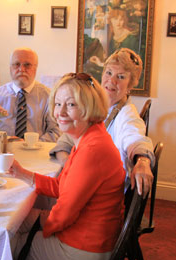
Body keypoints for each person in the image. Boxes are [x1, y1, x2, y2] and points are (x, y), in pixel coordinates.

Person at [10, 73, 125, 260]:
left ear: (89, 108)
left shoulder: (92, 150)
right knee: (16, 221)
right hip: (90, 233)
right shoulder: (90, 137)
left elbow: (64, 214)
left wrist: (42, 231)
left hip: (83, 248)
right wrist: (22, 173)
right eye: (57, 104)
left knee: (9, 243)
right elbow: (62, 187)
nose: (60, 112)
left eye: (71, 105)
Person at [50, 48, 154, 197]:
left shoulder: (127, 114)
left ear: (130, 85)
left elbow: (135, 137)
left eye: (121, 77)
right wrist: (69, 165)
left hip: (103, 194)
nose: (111, 81)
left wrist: (143, 161)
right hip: (85, 181)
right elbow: (65, 141)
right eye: (109, 72)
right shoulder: (96, 105)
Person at [0, 47, 60, 142]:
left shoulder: (49, 96)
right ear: (10, 68)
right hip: (2, 152)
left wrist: (32, 144)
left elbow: (56, 131)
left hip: (36, 152)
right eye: (16, 64)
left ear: (35, 68)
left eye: (27, 65)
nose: (21, 69)